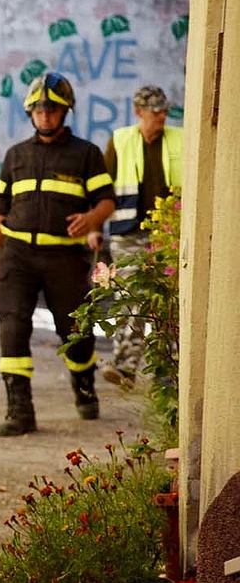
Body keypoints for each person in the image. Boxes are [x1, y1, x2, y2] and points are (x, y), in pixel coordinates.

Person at [0, 71, 116, 437]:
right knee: (12, 324)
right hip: (17, 256)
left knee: (75, 332)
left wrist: (90, 219)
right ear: (30, 113)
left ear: (65, 112)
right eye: (38, 110)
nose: (45, 116)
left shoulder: (85, 154)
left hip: (65, 260)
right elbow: (0, 208)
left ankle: (84, 387)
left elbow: (106, 201)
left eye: (52, 110)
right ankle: (19, 410)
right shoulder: (15, 156)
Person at [95, 84, 183, 389]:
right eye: (154, 112)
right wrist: (95, 227)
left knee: (168, 301)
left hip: (168, 233)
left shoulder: (180, 139)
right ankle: (125, 367)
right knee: (132, 298)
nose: (160, 117)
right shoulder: (120, 141)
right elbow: (103, 189)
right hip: (128, 231)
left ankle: (167, 373)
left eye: (164, 111)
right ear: (138, 112)